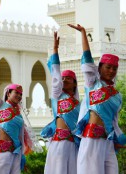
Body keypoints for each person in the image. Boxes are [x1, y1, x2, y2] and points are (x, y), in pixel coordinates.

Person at [68, 24, 126, 174]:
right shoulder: (92, 83)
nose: (111, 71)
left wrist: (117, 140)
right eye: (108, 67)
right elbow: (87, 59)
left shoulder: (117, 95)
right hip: (91, 138)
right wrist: (83, 33)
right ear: (99, 67)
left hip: (107, 141)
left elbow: (114, 121)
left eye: (114, 68)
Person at [0, 56, 33, 174]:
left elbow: (20, 135)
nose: (19, 96)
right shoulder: (0, 105)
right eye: (17, 93)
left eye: (21, 94)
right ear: (8, 93)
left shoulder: (19, 115)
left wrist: (22, 155)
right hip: (2, 151)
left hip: (16, 152)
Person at [41, 32, 80, 174]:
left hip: (73, 145)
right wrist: (55, 50)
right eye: (63, 78)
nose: (64, 80)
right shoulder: (58, 95)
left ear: (75, 83)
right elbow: (56, 75)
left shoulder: (79, 105)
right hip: (59, 142)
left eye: (68, 78)